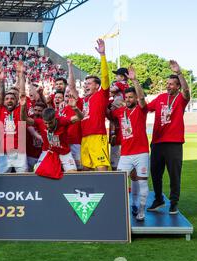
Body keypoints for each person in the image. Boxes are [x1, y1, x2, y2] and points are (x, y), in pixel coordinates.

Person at [146, 60, 191, 215]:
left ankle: (174, 203)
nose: (169, 86)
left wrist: (179, 72)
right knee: (155, 174)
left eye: (172, 84)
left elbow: (186, 91)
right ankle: (159, 199)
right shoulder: (160, 98)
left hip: (174, 143)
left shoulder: (181, 98)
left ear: (177, 86)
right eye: (168, 83)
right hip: (157, 142)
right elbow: (145, 108)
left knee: (174, 175)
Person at [110, 67, 149, 221]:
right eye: (127, 97)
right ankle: (125, 208)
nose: (128, 99)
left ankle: (141, 211)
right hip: (125, 154)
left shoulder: (141, 109)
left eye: (131, 97)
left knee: (142, 182)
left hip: (141, 153)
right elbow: (108, 112)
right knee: (119, 182)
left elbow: (141, 98)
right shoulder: (120, 111)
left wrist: (134, 80)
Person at [80, 39, 111, 171]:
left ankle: (106, 191)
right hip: (84, 137)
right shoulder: (83, 100)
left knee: (101, 168)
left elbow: (105, 77)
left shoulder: (101, 95)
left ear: (97, 86)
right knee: (85, 168)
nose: (86, 85)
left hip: (98, 136)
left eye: (89, 83)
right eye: (85, 83)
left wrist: (102, 55)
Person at [32, 97, 84, 174]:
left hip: (64, 152)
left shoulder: (62, 121)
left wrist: (75, 108)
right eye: (46, 123)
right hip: (48, 151)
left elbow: (80, 117)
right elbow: (24, 119)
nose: (48, 125)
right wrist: (23, 106)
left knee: (73, 173)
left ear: (55, 119)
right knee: (38, 171)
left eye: (50, 123)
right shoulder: (40, 122)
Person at [0, 61, 28, 174]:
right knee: (2, 179)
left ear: (17, 101)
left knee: (23, 179)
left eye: (12, 98)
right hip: (4, 152)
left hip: (19, 152)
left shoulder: (19, 110)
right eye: (7, 98)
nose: (9, 100)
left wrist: (21, 74)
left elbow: (22, 92)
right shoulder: (1, 111)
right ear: (4, 101)